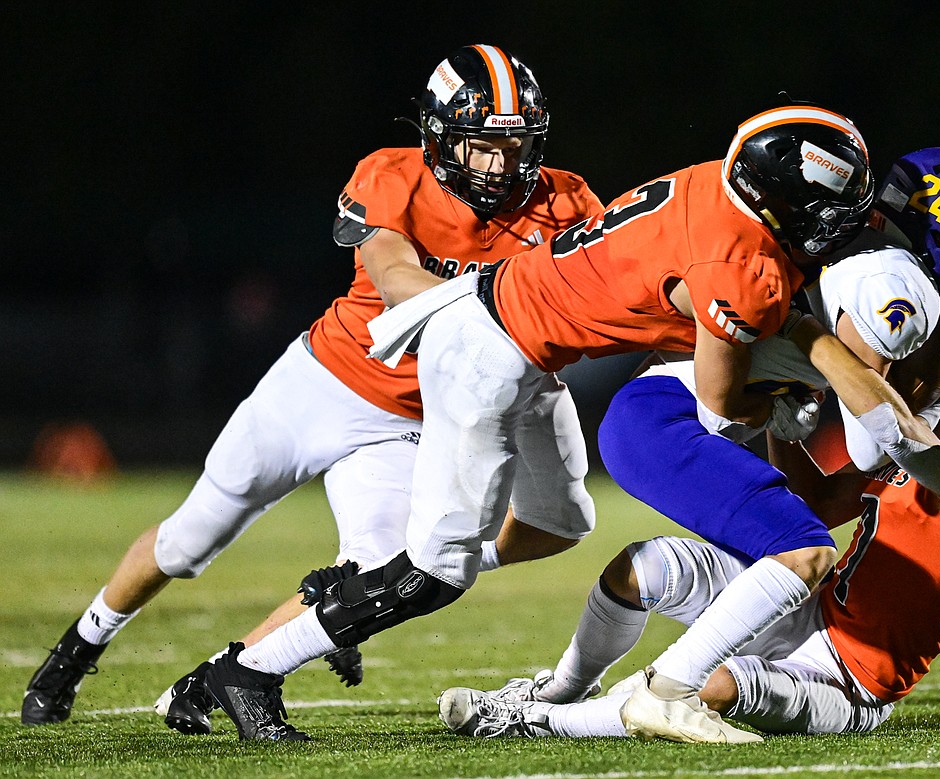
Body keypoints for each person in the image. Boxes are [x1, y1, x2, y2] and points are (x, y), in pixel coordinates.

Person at [199, 100, 877, 740]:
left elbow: (669, 316)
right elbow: (722, 398)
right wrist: (779, 390)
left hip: (521, 344)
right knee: (435, 574)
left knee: (560, 521)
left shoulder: (702, 192)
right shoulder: (736, 257)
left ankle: (375, 587)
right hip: (492, 349)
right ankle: (249, 668)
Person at [22, 44, 603, 738]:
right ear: (439, 139)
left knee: (377, 579)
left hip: (412, 422)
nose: (500, 166)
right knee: (189, 538)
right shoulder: (392, 176)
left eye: (515, 147)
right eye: (482, 147)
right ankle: (77, 648)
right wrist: (509, 298)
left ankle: (226, 671)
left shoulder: (565, 201)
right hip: (323, 384)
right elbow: (395, 283)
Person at [433, 147, 940, 732]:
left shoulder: (854, 251)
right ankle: (660, 690)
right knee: (803, 551)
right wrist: (932, 403)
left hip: (652, 410)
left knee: (662, 565)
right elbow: (873, 442)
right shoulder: (900, 285)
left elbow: (811, 469)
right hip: (672, 422)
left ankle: (544, 702)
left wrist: (797, 402)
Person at [438, 297, 940, 741]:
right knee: (640, 568)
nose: (912, 354)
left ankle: (538, 721)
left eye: (938, 350)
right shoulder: (921, 439)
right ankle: (558, 691)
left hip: (853, 680)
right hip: (815, 609)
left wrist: (822, 355)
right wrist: (783, 417)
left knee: (714, 685)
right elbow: (812, 505)